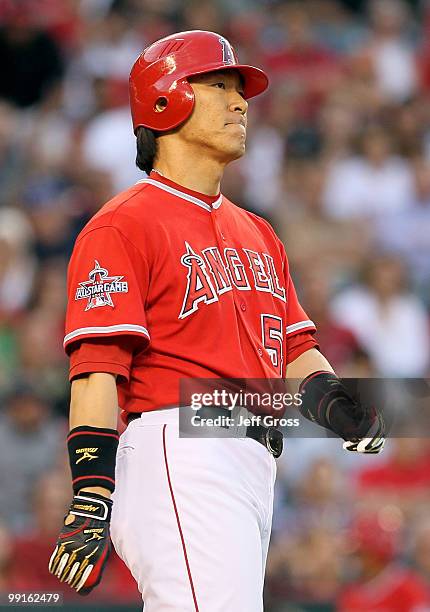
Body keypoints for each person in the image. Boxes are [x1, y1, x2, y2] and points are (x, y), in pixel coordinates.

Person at [48, 30, 385, 611]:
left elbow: (293, 348)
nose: (239, 101)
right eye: (219, 85)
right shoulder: (123, 224)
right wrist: (90, 495)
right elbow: (98, 369)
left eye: (241, 89)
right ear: (164, 100)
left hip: (249, 460)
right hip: (180, 450)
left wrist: (336, 400)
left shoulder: (258, 231)